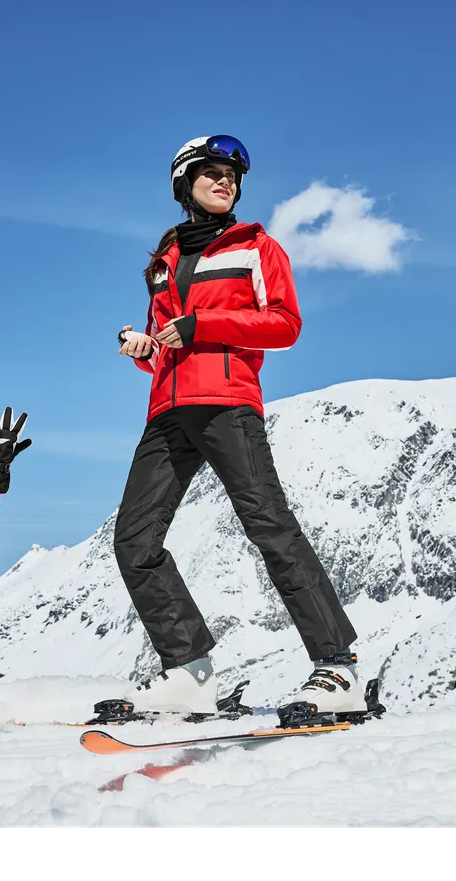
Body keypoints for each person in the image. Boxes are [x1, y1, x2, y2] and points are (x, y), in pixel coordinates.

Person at [110, 134, 365, 718]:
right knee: (135, 541)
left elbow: (283, 324)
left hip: (227, 403)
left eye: (232, 174)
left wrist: (203, 324)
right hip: (167, 410)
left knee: (269, 526)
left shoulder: (258, 248)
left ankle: (337, 667)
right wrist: (143, 347)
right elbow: (166, 346)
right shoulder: (162, 263)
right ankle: (190, 669)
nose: (225, 181)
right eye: (212, 172)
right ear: (185, 184)